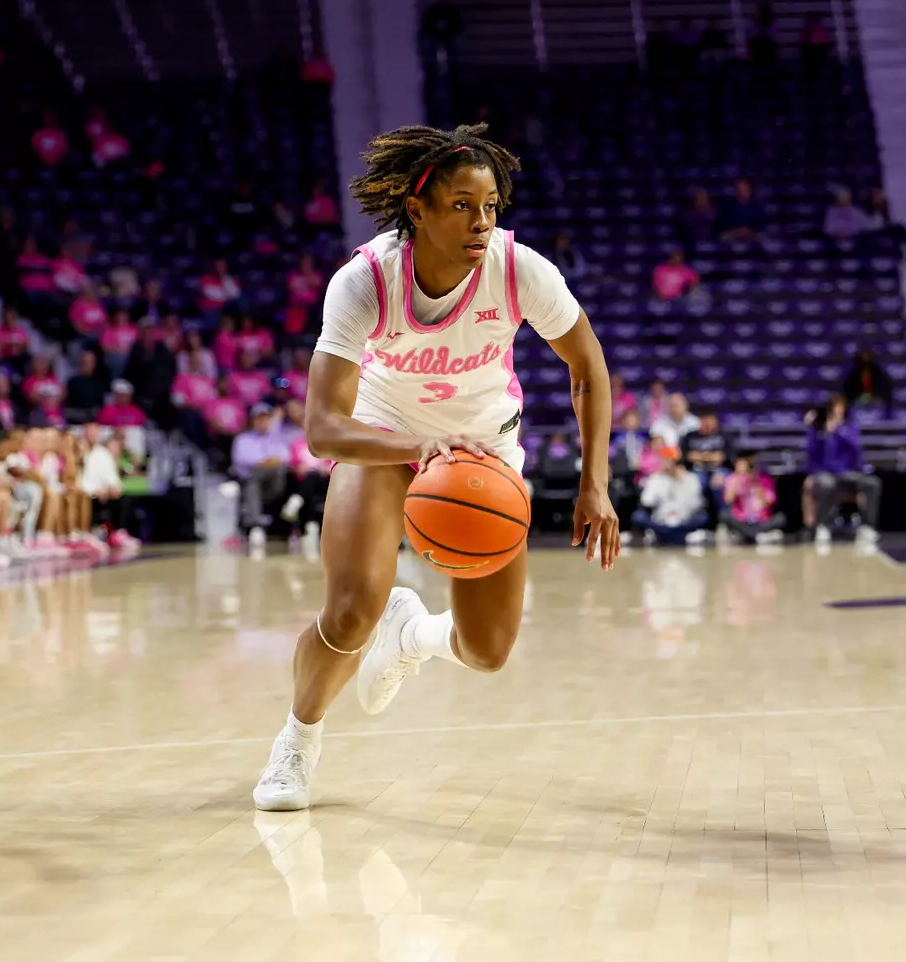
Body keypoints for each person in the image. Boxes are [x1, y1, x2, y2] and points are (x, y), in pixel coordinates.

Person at [252, 123, 618, 812]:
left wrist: (593, 481)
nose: (480, 222)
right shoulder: (364, 281)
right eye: (461, 205)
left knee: (487, 651)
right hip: (387, 443)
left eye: (489, 206)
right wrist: (414, 448)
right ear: (417, 210)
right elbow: (323, 427)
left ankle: (413, 633)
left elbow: (588, 368)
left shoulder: (520, 270)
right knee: (351, 611)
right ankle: (297, 744)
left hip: (484, 455)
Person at [802, 395, 880, 547]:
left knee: (873, 484)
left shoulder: (849, 427)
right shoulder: (817, 428)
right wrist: (817, 430)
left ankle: (868, 527)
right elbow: (811, 451)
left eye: (840, 407)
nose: (837, 411)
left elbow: (855, 447)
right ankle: (823, 526)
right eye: (834, 407)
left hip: (847, 472)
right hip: (824, 472)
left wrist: (837, 430)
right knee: (826, 484)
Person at [232, 404, 288, 544]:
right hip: (249, 479)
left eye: (266, 418)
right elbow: (242, 460)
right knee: (254, 478)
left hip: (273, 481)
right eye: (260, 419)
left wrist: (269, 463)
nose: (263, 422)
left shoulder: (276, 439)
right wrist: (265, 463)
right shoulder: (243, 439)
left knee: (281, 473)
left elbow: (285, 458)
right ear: (253, 421)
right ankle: (255, 523)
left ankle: (284, 521)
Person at [632, 450, 706, 545]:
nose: (667, 465)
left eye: (671, 461)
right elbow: (646, 501)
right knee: (638, 516)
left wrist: (682, 482)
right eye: (664, 461)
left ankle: (670, 535)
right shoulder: (655, 478)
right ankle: (677, 535)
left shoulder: (691, 478)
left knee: (703, 517)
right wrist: (659, 483)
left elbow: (696, 504)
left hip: (684, 521)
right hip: (661, 521)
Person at [722, 454, 785, 544]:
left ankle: (750, 534)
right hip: (742, 520)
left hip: (762, 520)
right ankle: (758, 535)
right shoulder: (732, 479)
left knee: (781, 518)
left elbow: (768, 503)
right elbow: (728, 500)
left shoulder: (765, 479)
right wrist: (737, 479)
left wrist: (756, 484)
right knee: (724, 515)